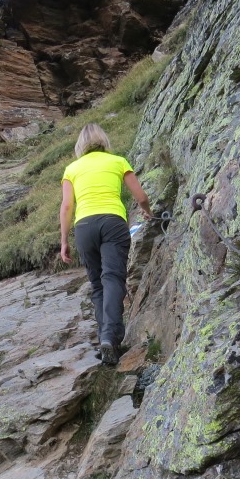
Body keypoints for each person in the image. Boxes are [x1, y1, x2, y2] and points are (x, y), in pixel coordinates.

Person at [59, 123, 152, 366]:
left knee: (97, 284)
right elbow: (141, 197)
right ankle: (110, 337)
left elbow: (67, 206)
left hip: (84, 228)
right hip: (112, 222)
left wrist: (64, 240)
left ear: (80, 144)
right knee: (112, 278)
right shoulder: (118, 161)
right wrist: (148, 212)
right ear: (104, 140)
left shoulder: (72, 169)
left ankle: (105, 339)